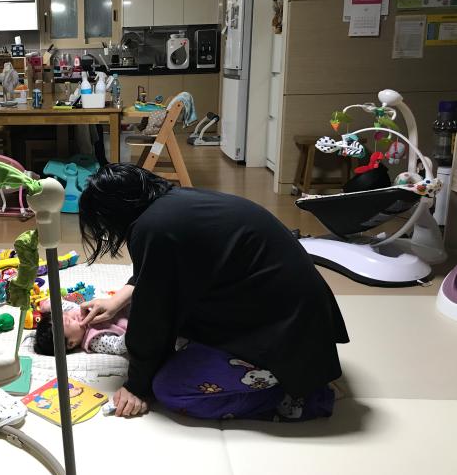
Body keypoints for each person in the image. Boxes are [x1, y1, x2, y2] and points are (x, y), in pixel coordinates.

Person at [77, 164, 349, 420]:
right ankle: (294, 376)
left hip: (285, 338)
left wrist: (137, 385)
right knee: (164, 326)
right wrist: (118, 300)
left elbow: (153, 317)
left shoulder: (153, 229)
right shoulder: (176, 204)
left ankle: (298, 398)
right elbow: (158, 272)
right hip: (298, 319)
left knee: (170, 389)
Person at [33, 298, 128, 355]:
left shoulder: (73, 312)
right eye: (70, 321)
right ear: (71, 343)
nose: (74, 315)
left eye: (66, 314)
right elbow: (118, 346)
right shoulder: (95, 339)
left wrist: (45, 306)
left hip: (125, 301)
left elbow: (56, 303)